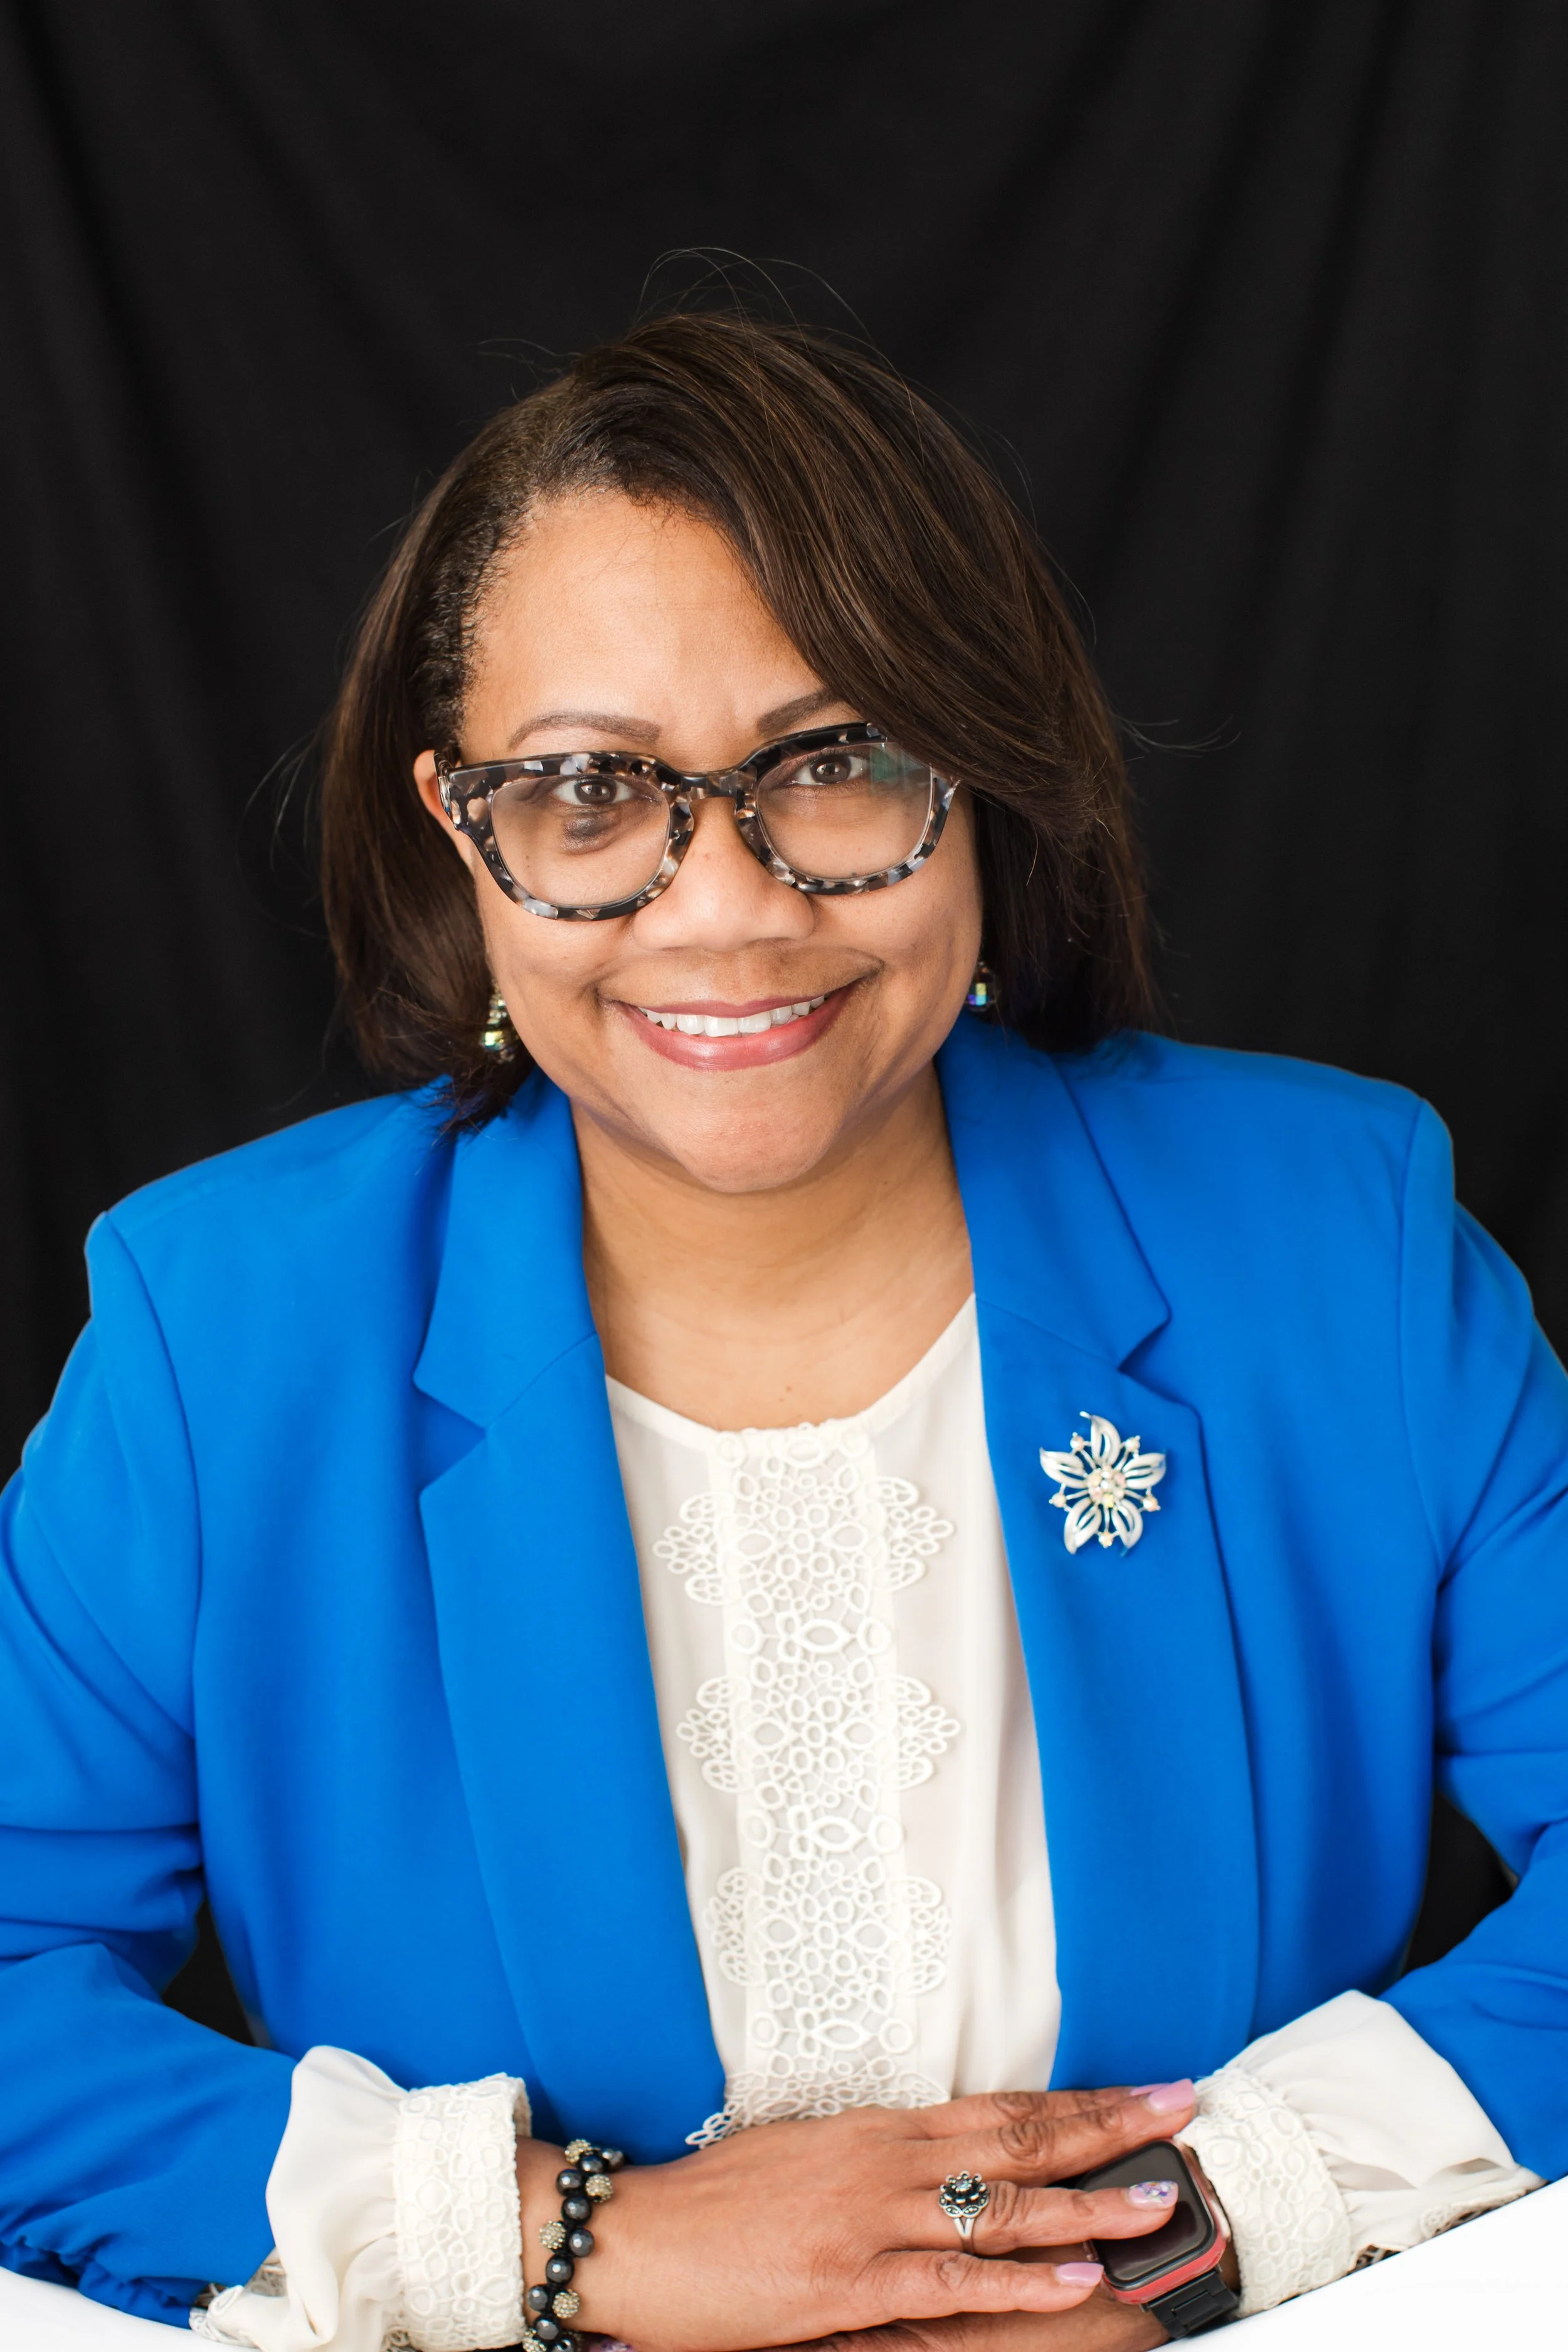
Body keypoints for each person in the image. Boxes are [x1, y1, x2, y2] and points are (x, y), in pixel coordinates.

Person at [0, 314, 1560, 2352]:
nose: (723, 905)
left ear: (976, 767)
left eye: (831, 765)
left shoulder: (1330, 1239)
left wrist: (1199, 2219)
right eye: (584, 791)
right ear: (459, 829)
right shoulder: (222, 1332)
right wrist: (575, 2239)